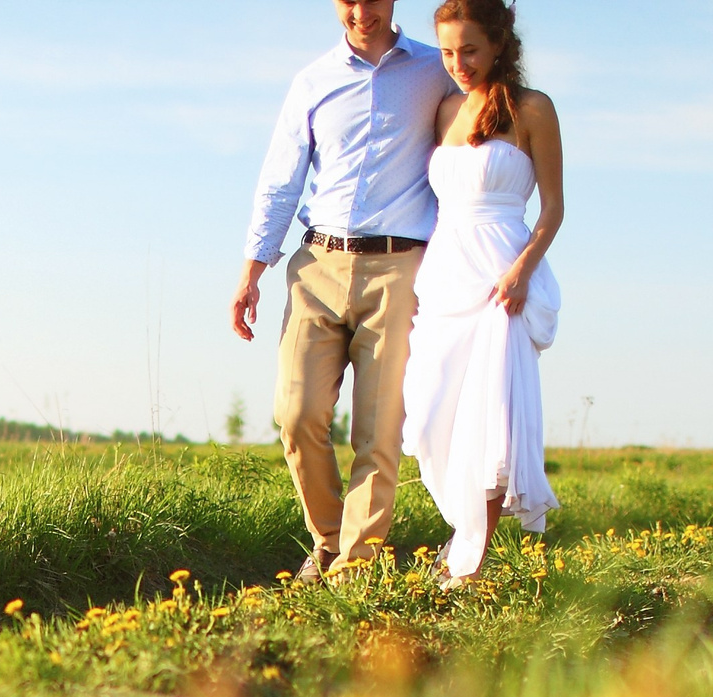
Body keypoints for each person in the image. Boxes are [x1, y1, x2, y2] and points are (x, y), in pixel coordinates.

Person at [233, 1, 454, 582]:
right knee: (297, 414)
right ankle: (329, 539)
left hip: (401, 266)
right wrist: (253, 267)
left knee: (379, 428)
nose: (362, 11)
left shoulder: (438, 71)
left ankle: (356, 562)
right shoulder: (312, 81)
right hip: (317, 265)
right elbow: (281, 178)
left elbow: (484, 124)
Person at [401, 0, 564, 583]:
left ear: (498, 42)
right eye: (447, 51)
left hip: (502, 277)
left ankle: (473, 553)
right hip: (446, 273)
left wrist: (522, 269)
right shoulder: (444, 109)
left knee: (490, 418)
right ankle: (461, 528)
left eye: (469, 49)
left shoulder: (532, 109)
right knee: (428, 413)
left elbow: (553, 209)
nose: (458, 62)